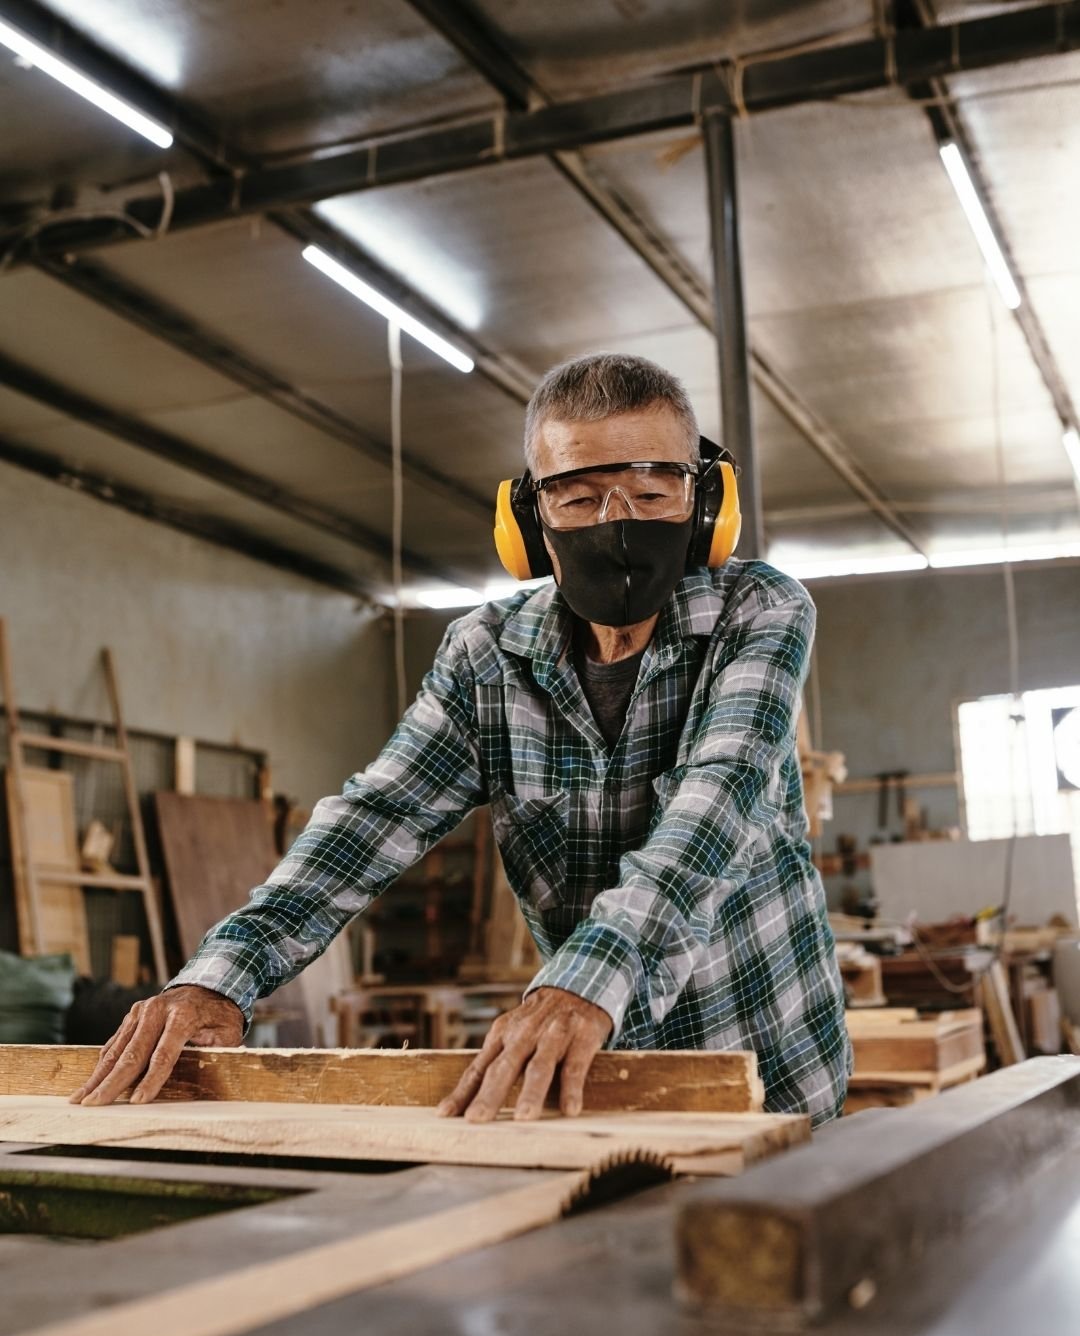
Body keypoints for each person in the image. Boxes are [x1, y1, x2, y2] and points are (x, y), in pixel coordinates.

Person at [72, 353, 851, 1125]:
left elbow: (709, 809)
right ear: (528, 523)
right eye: (578, 499)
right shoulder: (487, 656)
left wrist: (585, 977)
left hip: (770, 1074)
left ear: (705, 502)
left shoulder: (760, 613)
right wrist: (218, 978)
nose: (617, 523)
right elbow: (372, 821)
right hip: (601, 1079)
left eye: (651, 492)